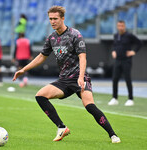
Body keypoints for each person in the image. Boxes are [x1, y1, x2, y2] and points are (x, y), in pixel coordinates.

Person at [13, 6, 121, 143]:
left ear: (63, 18)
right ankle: (61, 127)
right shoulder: (51, 38)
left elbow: (83, 57)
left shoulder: (75, 34)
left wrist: (81, 77)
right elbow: (42, 56)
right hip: (64, 80)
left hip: (78, 76)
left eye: (55, 19)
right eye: (50, 19)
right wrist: (23, 69)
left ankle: (113, 135)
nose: (52, 21)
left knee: (90, 106)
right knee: (40, 96)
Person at [108, 20, 142, 106]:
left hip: (126, 60)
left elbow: (139, 43)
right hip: (117, 60)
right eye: (119, 26)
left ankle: (130, 99)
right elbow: (115, 45)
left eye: (122, 26)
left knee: (127, 79)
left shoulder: (129, 36)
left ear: (124, 26)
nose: (120, 27)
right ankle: (114, 98)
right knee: (115, 79)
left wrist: (133, 51)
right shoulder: (116, 35)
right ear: (117, 26)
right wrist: (113, 51)